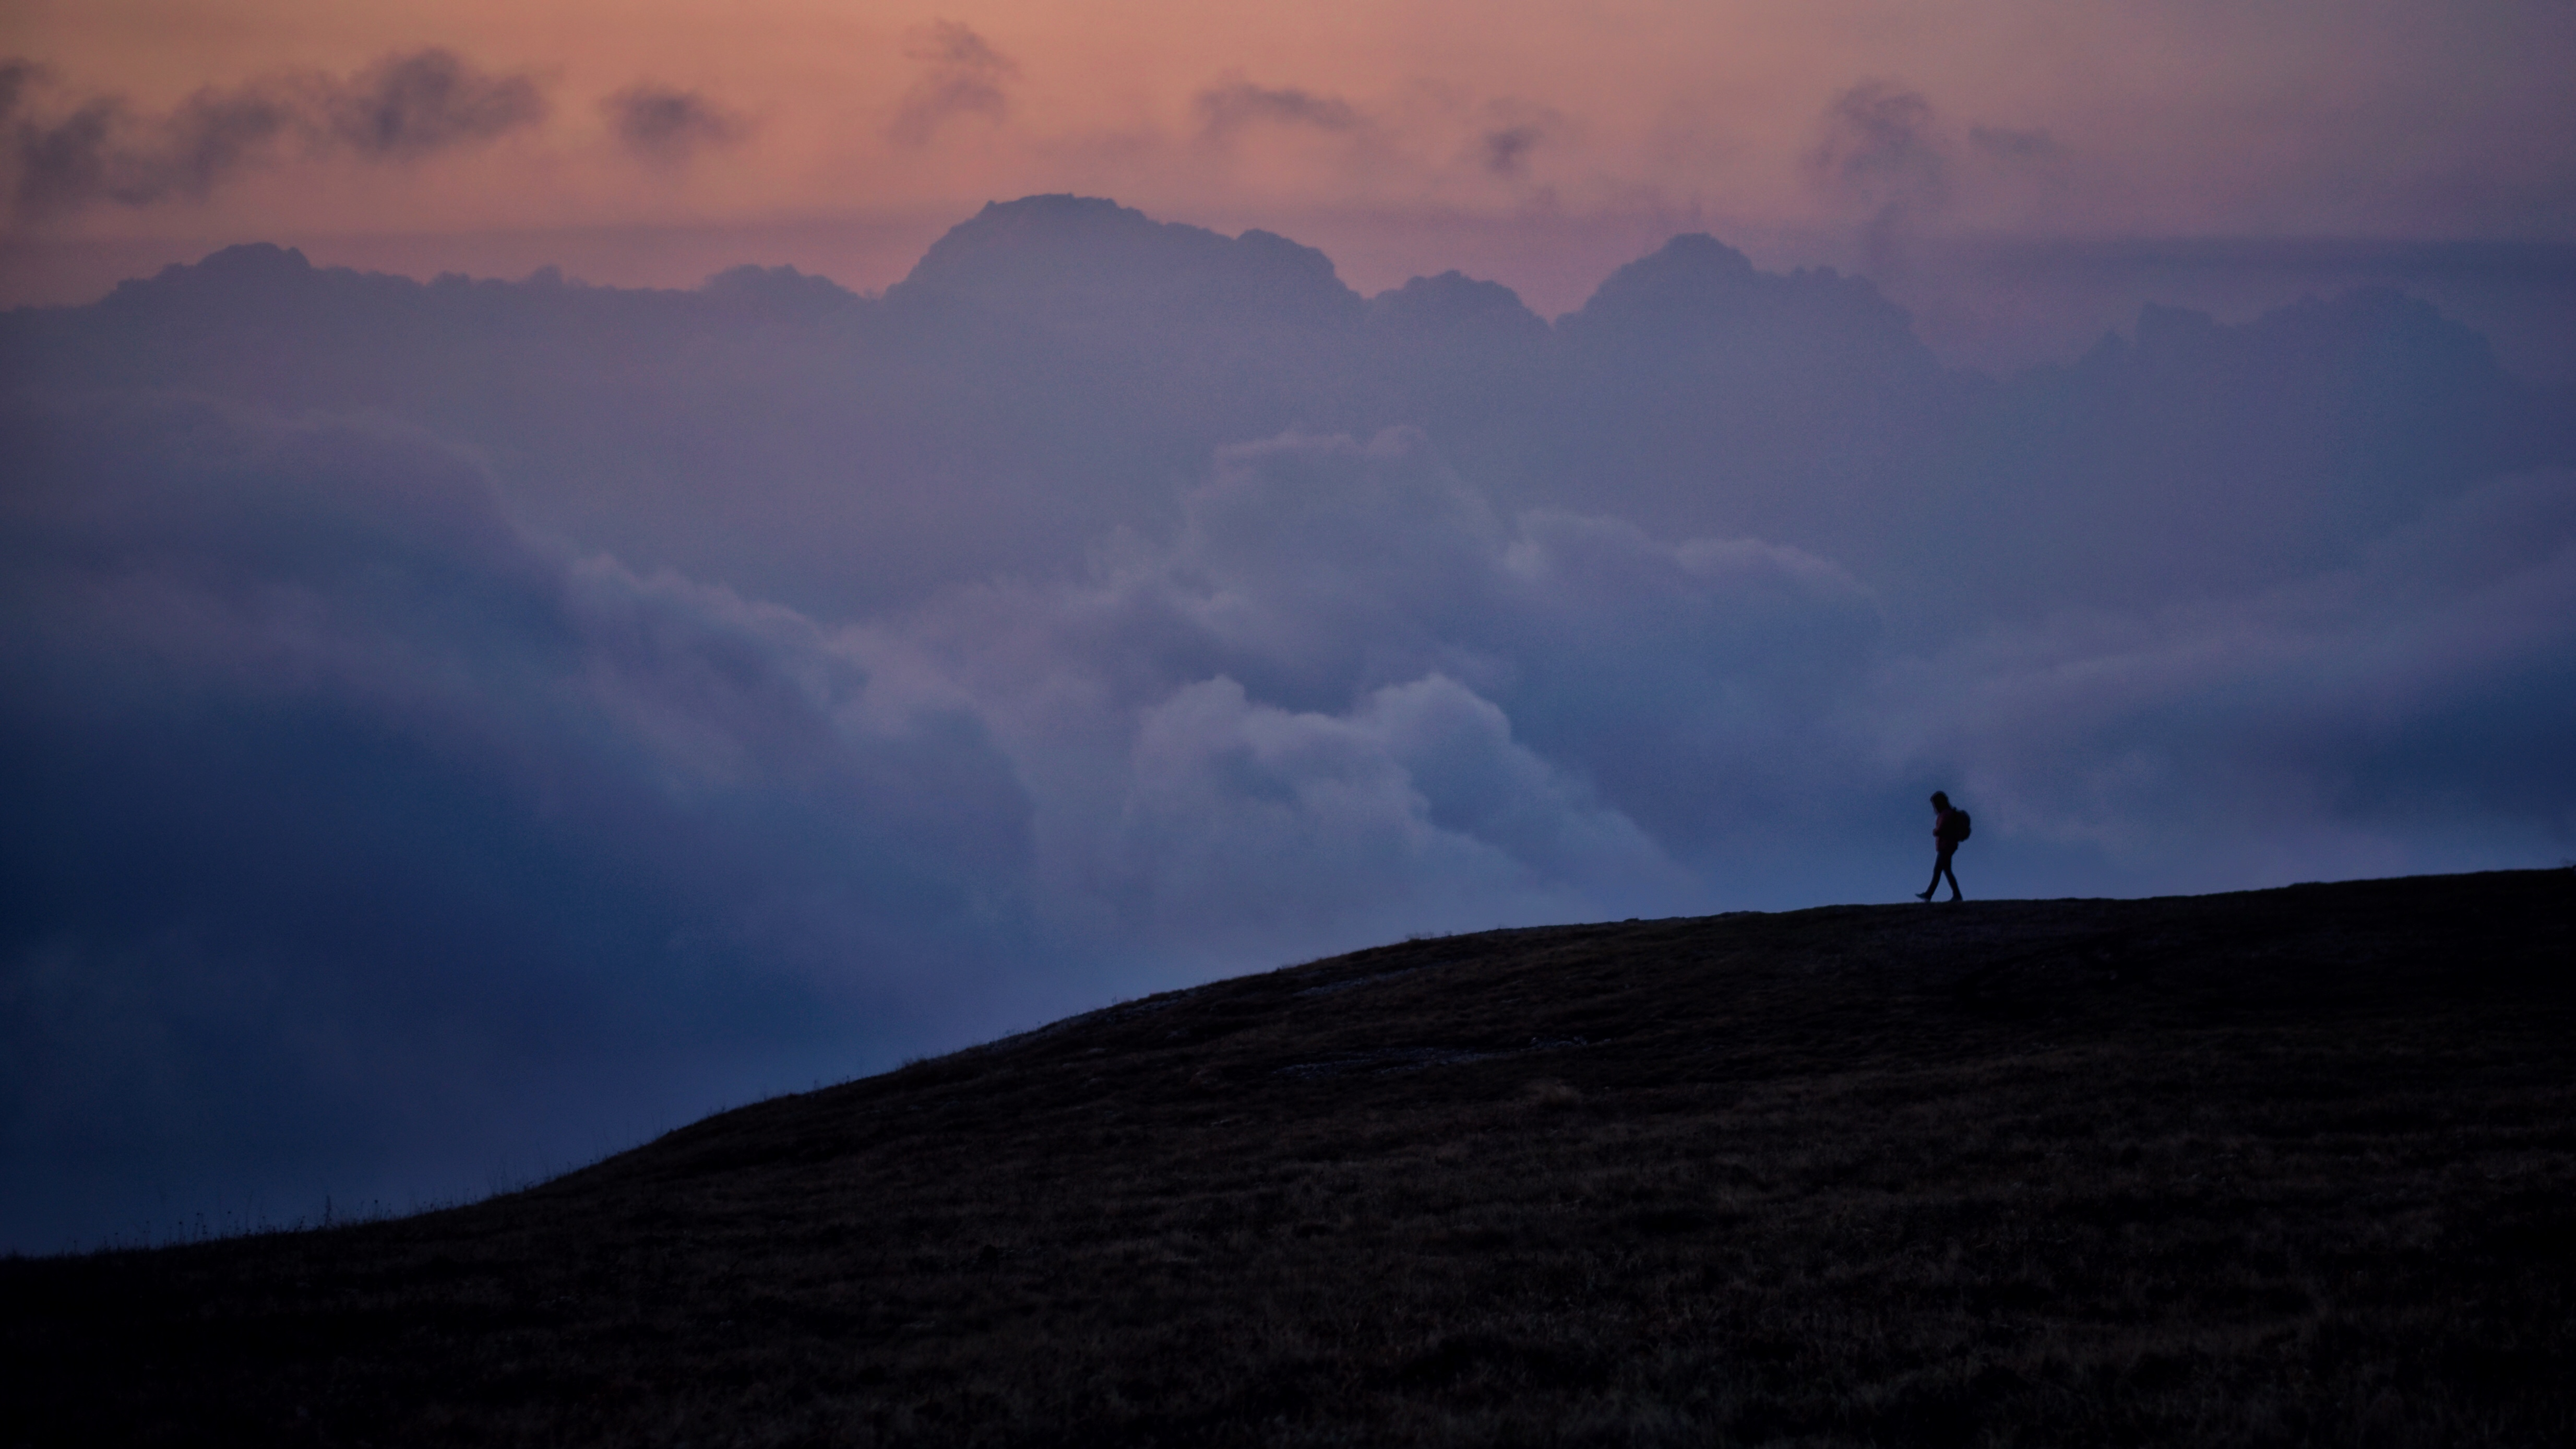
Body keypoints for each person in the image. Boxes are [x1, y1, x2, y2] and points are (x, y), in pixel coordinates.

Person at [1917, 791, 1966, 902]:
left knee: (1946, 871)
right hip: (1947, 846)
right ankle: (1929, 894)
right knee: (1939, 871)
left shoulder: (1945, 814)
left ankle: (1957, 895)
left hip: (1946, 846)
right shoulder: (1948, 813)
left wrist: (1936, 831)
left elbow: (1942, 829)